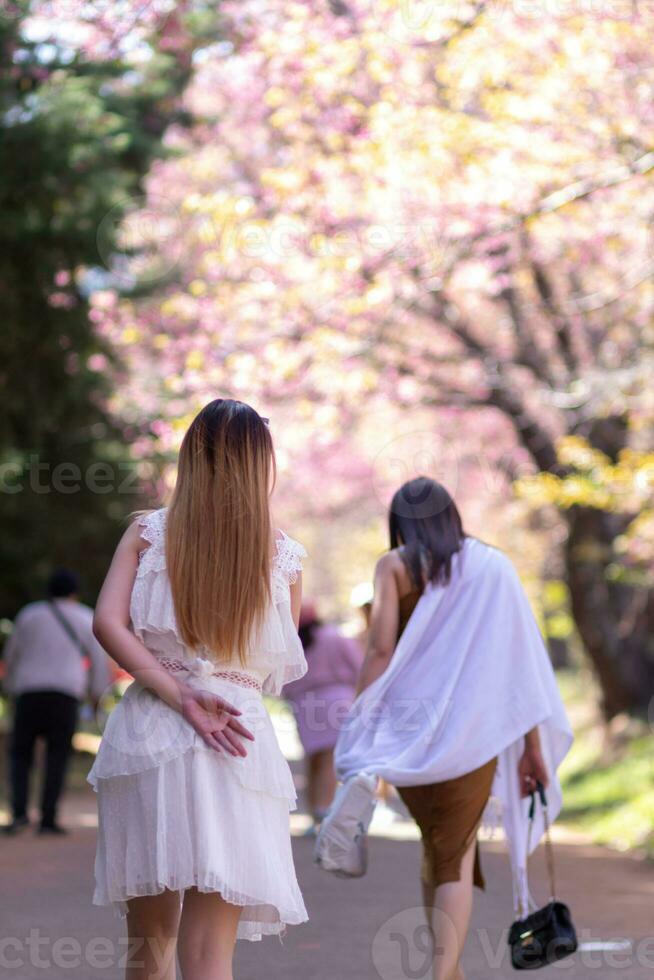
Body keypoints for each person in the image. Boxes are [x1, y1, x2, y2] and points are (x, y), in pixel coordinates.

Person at [88, 398, 308, 980]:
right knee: (211, 956)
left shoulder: (148, 533)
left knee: (148, 944)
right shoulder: (283, 556)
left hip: (152, 728)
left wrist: (180, 689)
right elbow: (274, 672)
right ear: (262, 464)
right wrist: (221, 677)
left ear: (192, 455)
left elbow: (108, 623)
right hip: (236, 735)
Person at [336, 477, 572, 980]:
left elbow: (379, 650)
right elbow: (520, 665)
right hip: (474, 735)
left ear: (400, 523)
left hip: (410, 734)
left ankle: (448, 969)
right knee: (452, 850)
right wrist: (531, 747)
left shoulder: (394, 566)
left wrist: (359, 716)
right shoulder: (493, 567)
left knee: (440, 845)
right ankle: (445, 971)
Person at [2, 568, 111, 835]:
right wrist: (97, 695)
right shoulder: (85, 617)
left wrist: (9, 688)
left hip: (29, 693)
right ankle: (48, 818)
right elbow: (98, 662)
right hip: (65, 696)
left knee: (20, 755)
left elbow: (12, 654)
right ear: (75, 592)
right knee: (57, 755)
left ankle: (18, 814)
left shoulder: (29, 614)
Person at [283, 599, 362, 830]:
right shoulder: (335, 636)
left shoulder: (292, 643)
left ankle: (314, 811)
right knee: (329, 759)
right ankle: (324, 811)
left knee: (313, 759)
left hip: (304, 702)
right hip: (337, 700)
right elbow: (359, 666)